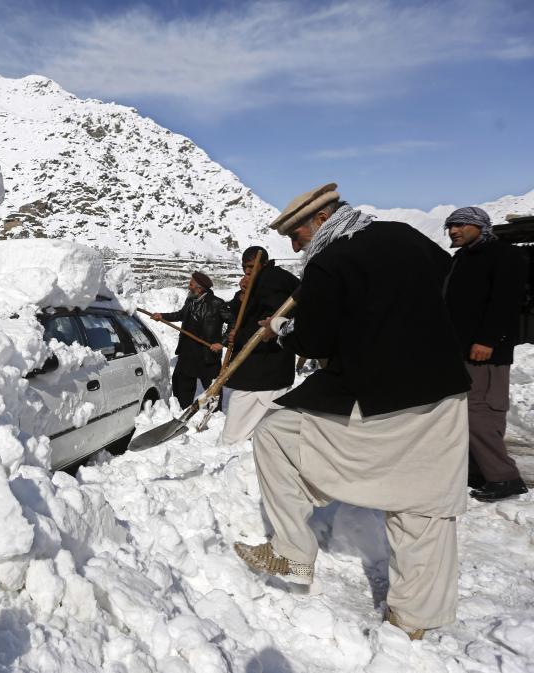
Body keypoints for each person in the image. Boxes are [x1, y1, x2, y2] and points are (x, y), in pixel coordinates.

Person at [233, 183, 471, 641]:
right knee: (422, 505)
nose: (295, 247)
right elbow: (451, 288)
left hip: (377, 395)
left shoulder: (328, 261)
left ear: (322, 219)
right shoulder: (404, 235)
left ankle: (292, 551)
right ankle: (414, 619)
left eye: (296, 236)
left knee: (276, 433)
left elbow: (314, 341)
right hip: (441, 388)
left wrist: (281, 327)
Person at [443, 206, 528, 502]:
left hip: (486, 351)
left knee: (482, 413)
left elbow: (506, 301)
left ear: (480, 226)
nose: (454, 230)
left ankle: (505, 478)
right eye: (450, 226)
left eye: (461, 225)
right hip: (462, 350)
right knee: (466, 413)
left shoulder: (503, 255)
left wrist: (488, 340)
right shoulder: (462, 258)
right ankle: (480, 471)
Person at [219, 247, 299, 444]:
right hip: (258, 370)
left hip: (265, 368)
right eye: (244, 268)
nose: (247, 272)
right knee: (255, 429)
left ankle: (233, 449)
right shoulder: (260, 281)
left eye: (251, 267)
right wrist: (241, 296)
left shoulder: (274, 282)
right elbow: (246, 312)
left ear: (264, 264)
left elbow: (269, 324)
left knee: (237, 433)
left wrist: (239, 337)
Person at [152, 271, 233, 408]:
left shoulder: (217, 303)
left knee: (212, 388)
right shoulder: (190, 301)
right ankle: (183, 410)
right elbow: (180, 315)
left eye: (191, 284)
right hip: (188, 351)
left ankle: (214, 414)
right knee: (182, 383)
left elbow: (233, 323)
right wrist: (162, 316)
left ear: (199, 288)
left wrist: (222, 343)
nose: (188, 286)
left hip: (207, 353)